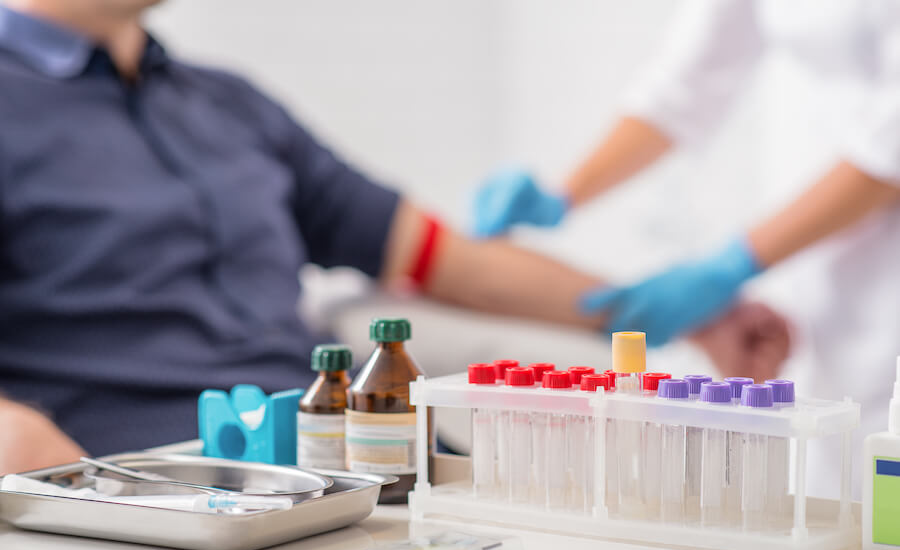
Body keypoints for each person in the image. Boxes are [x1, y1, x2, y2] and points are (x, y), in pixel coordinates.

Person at [0, 0, 789, 475]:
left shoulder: (230, 106)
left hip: (353, 468)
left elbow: (449, 260)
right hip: (145, 482)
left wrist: (660, 312)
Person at [473, 0, 900, 496]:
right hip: (811, 260)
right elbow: (684, 84)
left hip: (881, 258)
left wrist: (731, 264)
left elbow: (890, 141)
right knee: (828, 478)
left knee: (879, 478)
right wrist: (565, 194)